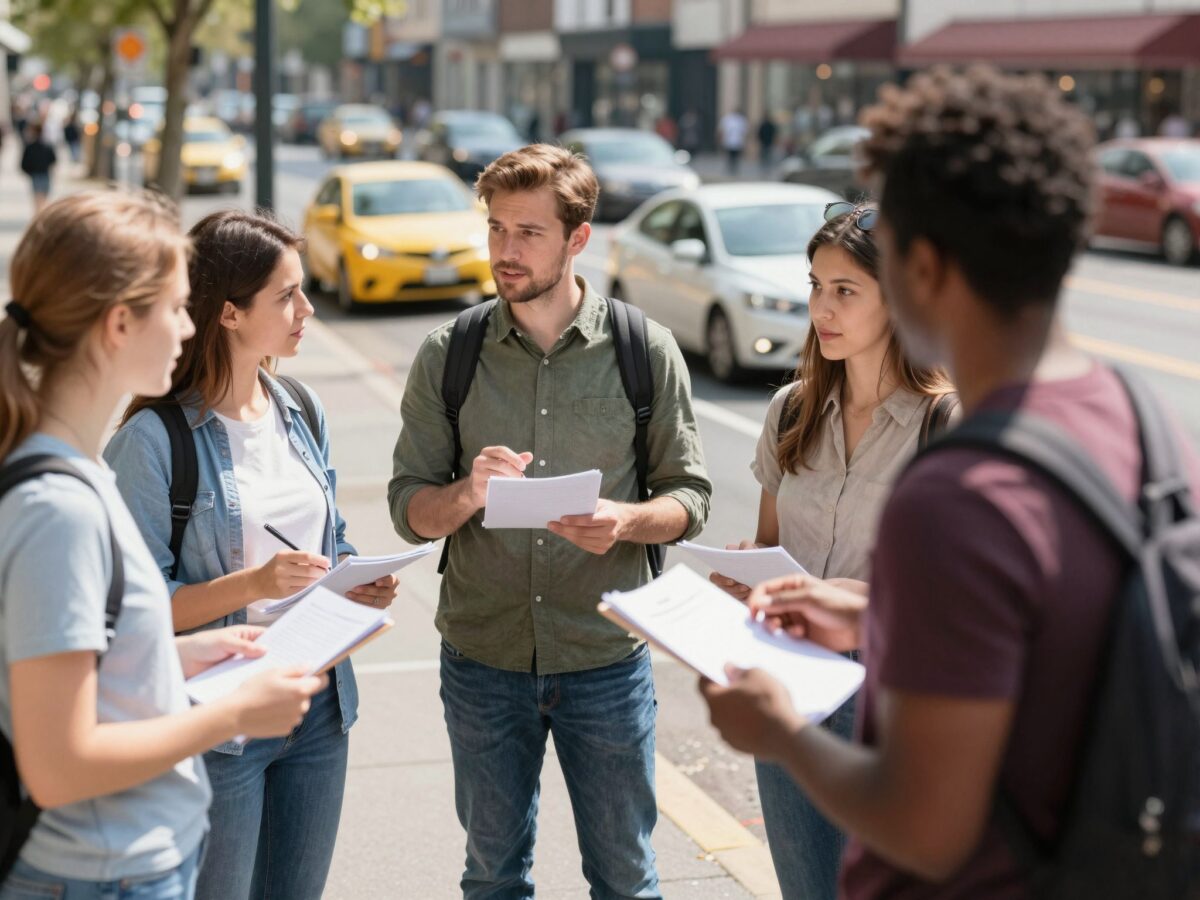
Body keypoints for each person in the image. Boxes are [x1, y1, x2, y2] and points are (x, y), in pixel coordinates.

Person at [698, 65, 1200, 897]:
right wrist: (874, 608)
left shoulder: (956, 494)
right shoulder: (1146, 420)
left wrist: (779, 731)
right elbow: (1051, 629)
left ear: (920, 267)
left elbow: (925, 829)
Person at [388, 143, 712, 899]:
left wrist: (625, 521)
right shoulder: (449, 354)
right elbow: (410, 511)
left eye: (528, 232)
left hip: (605, 658)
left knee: (626, 879)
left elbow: (689, 497)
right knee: (493, 876)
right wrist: (468, 492)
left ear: (578, 238)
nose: (506, 250)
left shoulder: (642, 350)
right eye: (497, 228)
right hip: (482, 659)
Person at [0, 190, 324, 900]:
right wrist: (232, 714)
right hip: (101, 873)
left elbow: (78, 665)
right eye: (177, 306)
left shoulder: (73, 474)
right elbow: (59, 762)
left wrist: (172, 654)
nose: (188, 325)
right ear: (120, 323)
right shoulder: (60, 505)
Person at [104, 210, 398, 900]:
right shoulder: (151, 443)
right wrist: (255, 583)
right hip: (219, 727)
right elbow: (135, 617)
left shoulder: (300, 406)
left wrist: (356, 581)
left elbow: (331, 540)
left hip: (318, 706)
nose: (307, 309)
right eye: (287, 296)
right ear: (230, 314)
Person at [709, 200, 955, 899]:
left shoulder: (945, 424)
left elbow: (955, 605)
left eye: (845, 290)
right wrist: (746, 579)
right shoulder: (790, 410)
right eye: (816, 285)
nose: (822, 306)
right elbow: (768, 546)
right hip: (787, 683)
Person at [19, 124, 56, 215]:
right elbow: (53, 160)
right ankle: (41, 216)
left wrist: (30, 172)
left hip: (36, 175)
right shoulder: (47, 146)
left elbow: (23, 164)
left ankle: (39, 216)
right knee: (43, 198)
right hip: (44, 174)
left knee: (38, 199)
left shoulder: (30, 147)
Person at [718, 107, 749, 175]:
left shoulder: (740, 120)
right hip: (730, 141)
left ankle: (734, 168)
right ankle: (731, 168)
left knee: (735, 156)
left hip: (737, 141)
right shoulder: (728, 119)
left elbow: (744, 132)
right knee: (731, 156)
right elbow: (722, 130)